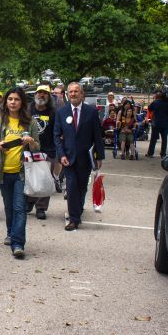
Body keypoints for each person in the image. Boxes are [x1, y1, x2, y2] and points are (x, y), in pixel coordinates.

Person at [0, 87, 40, 258]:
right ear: (6, 102)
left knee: (20, 208)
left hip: (22, 172)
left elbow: (37, 147)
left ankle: (18, 243)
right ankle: (10, 232)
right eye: (10, 99)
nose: (13, 102)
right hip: (3, 172)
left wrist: (31, 141)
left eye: (16, 99)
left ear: (22, 103)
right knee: (9, 207)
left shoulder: (30, 123)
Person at [54, 82, 104, 231]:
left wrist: (99, 156)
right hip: (68, 158)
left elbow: (97, 136)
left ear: (82, 94)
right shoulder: (61, 112)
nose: (73, 94)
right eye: (71, 92)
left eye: (76, 92)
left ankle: (78, 209)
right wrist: (61, 155)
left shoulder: (92, 112)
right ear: (68, 95)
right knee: (71, 186)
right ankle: (74, 219)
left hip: (85, 159)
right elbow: (56, 136)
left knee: (81, 187)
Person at [26, 83, 56, 220]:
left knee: (44, 180)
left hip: (47, 150)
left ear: (49, 96)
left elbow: (57, 132)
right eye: (39, 92)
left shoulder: (53, 112)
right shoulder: (28, 109)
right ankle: (29, 202)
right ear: (35, 94)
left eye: (45, 93)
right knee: (30, 178)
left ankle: (41, 208)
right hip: (30, 149)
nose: (41, 95)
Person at [145, 91, 168, 159]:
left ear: (157, 97)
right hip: (165, 123)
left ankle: (150, 153)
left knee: (153, 139)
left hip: (156, 123)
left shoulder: (155, 102)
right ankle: (163, 154)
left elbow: (149, 108)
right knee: (164, 139)